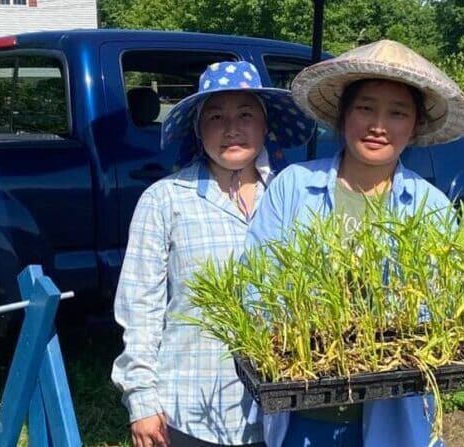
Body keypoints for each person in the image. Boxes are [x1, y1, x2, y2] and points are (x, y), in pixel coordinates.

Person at [245, 40, 464, 447]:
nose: (378, 125)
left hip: (398, 419)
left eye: (397, 113)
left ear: (415, 126)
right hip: (305, 412)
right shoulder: (294, 187)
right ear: (343, 115)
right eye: (365, 108)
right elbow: (255, 285)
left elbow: (444, 308)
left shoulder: (431, 207)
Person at [112, 60, 314, 447]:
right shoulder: (166, 199)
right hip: (189, 407)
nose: (232, 128)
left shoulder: (294, 197)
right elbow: (140, 307)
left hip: (280, 406)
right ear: (198, 128)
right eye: (216, 116)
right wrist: (141, 398)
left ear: (265, 125)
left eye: (245, 114)